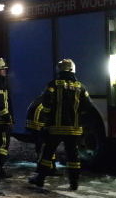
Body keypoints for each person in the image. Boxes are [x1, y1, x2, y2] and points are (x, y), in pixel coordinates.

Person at [28, 59, 88, 190]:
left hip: (55, 127)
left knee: (47, 153)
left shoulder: (53, 85)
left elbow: (45, 103)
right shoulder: (80, 87)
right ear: (73, 69)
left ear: (59, 70)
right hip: (73, 129)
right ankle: (74, 183)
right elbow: (86, 107)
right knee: (73, 156)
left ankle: (40, 179)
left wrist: (48, 117)